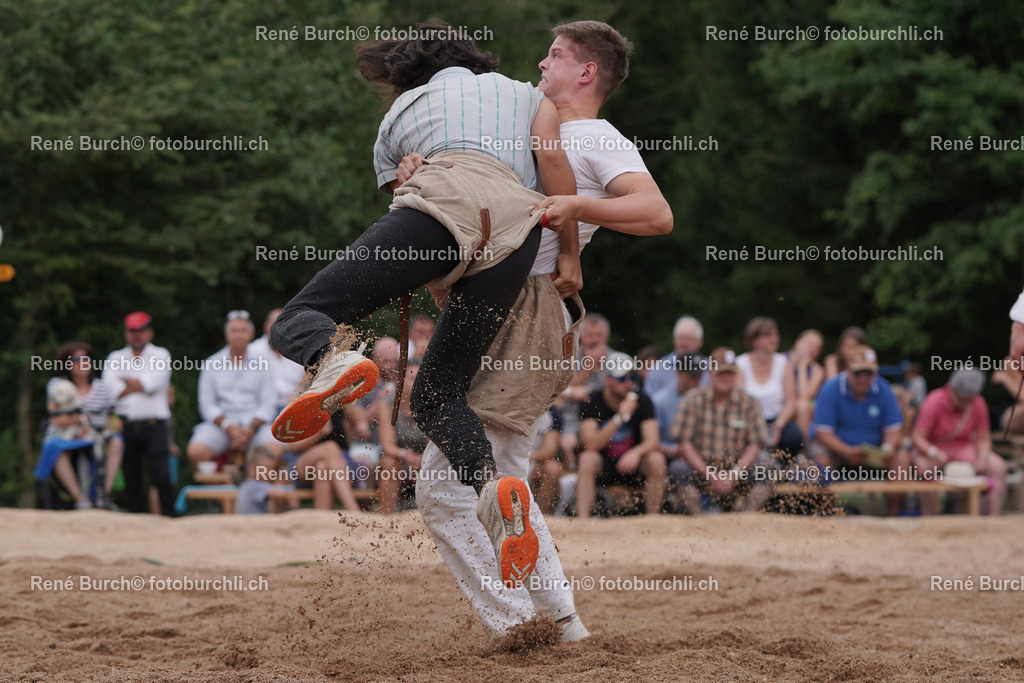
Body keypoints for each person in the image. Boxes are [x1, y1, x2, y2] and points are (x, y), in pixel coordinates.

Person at [269, 24, 581, 588]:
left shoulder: (400, 114)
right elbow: (554, 174)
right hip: (522, 227)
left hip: (445, 203)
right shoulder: (525, 94)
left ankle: (333, 358)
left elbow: (417, 231)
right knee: (439, 394)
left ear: (407, 74)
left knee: (299, 317)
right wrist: (572, 257)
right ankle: (493, 490)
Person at [414, 20, 671, 642]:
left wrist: (580, 208)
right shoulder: (529, 130)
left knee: (449, 489)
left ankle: (522, 625)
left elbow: (656, 213)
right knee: (494, 476)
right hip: (506, 312)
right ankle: (559, 622)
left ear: (586, 73)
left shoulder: (593, 135)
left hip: (525, 315)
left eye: (555, 55)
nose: (541, 62)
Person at [809, 345, 910, 515]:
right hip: (837, 452)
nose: (863, 378)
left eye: (868, 373)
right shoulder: (830, 389)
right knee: (821, 458)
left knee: (901, 457)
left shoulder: (885, 390)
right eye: (858, 373)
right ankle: (825, 516)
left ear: (875, 373)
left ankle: (892, 517)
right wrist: (847, 451)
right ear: (847, 370)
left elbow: (894, 431)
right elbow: (823, 433)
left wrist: (886, 449)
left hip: (873, 453)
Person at [671, 347, 772, 514]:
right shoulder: (692, 399)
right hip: (701, 465)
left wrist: (735, 473)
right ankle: (698, 518)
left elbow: (756, 444)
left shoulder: (749, 402)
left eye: (730, 373)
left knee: (769, 468)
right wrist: (709, 473)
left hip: (738, 466)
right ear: (709, 374)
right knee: (677, 469)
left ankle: (747, 518)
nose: (725, 378)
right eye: (720, 373)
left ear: (736, 374)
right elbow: (684, 443)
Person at [102, 312, 177, 516]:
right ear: (126, 333)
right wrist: (138, 384)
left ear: (149, 333)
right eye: (132, 331)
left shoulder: (161, 354)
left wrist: (124, 381)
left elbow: (151, 384)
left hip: (155, 425)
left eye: (141, 331)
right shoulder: (115, 357)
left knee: (161, 475)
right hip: (126, 425)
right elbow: (109, 392)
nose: (137, 335)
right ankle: (135, 520)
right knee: (130, 477)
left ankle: (170, 519)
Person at [577, 353, 666, 519]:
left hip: (633, 464)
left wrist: (637, 452)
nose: (629, 383)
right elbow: (591, 444)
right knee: (587, 459)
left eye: (632, 377)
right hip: (604, 464)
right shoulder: (592, 401)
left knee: (656, 459)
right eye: (622, 379)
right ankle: (584, 520)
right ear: (608, 379)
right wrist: (619, 417)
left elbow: (653, 441)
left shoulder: (643, 400)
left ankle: (653, 519)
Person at [186, 310, 278, 469]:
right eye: (234, 330)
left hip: (255, 426)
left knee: (275, 449)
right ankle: (222, 489)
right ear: (226, 334)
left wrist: (250, 428)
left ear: (251, 334)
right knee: (196, 451)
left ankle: (253, 489)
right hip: (221, 426)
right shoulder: (211, 363)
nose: (238, 335)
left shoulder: (264, 363)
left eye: (242, 331)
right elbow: (207, 405)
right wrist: (229, 426)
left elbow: (269, 403)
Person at [912, 369, 1007, 515]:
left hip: (964, 447)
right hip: (934, 447)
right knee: (923, 467)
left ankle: (991, 519)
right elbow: (918, 436)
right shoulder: (934, 400)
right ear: (952, 389)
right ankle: (928, 517)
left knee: (998, 467)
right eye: (962, 399)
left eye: (969, 400)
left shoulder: (978, 402)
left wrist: (983, 456)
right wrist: (933, 452)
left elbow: (983, 437)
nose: (965, 404)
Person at [45, 341, 122, 508]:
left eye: (86, 358)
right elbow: (56, 419)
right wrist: (85, 420)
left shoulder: (103, 388)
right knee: (56, 448)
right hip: (64, 436)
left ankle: (104, 497)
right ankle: (81, 500)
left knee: (116, 442)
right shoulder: (58, 386)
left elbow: (116, 421)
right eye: (77, 359)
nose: (83, 362)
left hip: (95, 436)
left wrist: (86, 423)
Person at [735, 317, 802, 458]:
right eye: (767, 335)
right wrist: (754, 427)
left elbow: (791, 401)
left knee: (794, 438)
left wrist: (779, 423)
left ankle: (785, 469)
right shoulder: (741, 364)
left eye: (775, 334)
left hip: (776, 419)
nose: (774, 339)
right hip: (748, 420)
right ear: (753, 340)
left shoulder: (784, 363)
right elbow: (738, 401)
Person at [376, 359, 427, 513]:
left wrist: (422, 460)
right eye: (412, 379)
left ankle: (429, 517)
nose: (417, 384)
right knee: (389, 465)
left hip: (423, 460)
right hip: (399, 458)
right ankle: (385, 518)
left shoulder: (431, 405)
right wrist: (406, 455)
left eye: (420, 379)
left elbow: (434, 445)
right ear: (400, 381)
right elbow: (388, 445)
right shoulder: (387, 404)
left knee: (438, 467)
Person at [643, 316, 705, 398]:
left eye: (688, 339)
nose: (683, 343)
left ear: (700, 342)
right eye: (680, 338)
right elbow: (649, 402)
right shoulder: (658, 369)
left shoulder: (710, 369)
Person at [787, 329, 826, 438]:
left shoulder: (817, 370)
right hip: (782, 402)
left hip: (801, 408)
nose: (813, 349)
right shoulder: (780, 360)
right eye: (810, 344)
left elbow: (805, 396)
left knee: (803, 405)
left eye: (817, 347)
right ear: (798, 342)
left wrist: (802, 367)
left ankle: (802, 447)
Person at [236, 446, 295, 515]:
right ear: (252, 468)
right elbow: (280, 494)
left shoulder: (249, 484)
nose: (271, 473)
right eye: (266, 468)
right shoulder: (253, 485)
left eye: (272, 469)